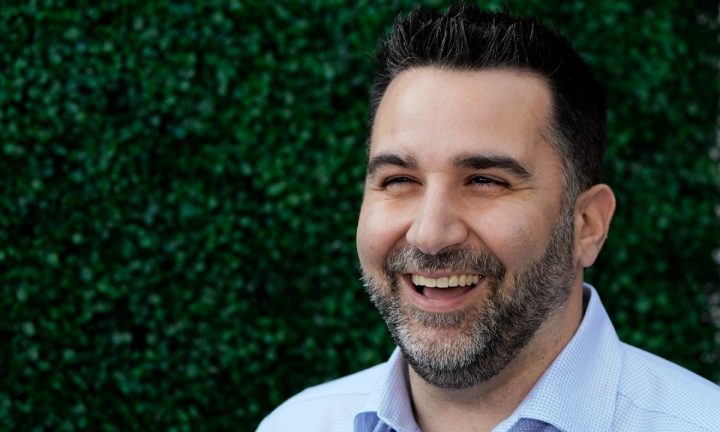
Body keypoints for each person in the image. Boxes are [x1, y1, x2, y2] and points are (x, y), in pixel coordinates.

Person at [257, 4, 720, 431]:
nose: (430, 234)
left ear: (587, 225)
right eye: (399, 180)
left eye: (485, 180)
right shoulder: (296, 424)